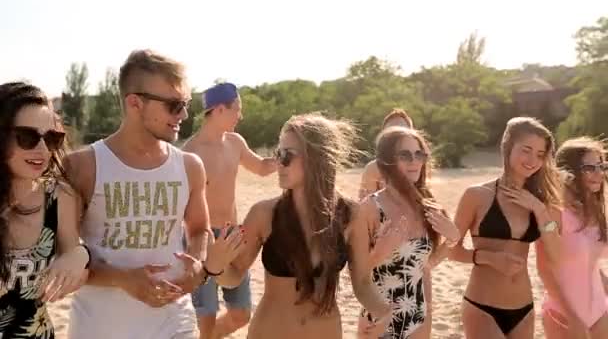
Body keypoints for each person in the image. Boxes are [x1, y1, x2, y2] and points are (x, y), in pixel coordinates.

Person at [65, 49, 242, 339]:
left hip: (174, 323)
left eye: (185, 104)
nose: (184, 114)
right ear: (135, 103)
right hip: (98, 327)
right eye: (174, 105)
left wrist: (196, 263)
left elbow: (199, 230)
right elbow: (65, 255)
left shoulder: (189, 166)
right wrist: (123, 280)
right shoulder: (82, 166)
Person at [212, 113, 391, 338]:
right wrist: (216, 266)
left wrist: (384, 312)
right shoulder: (264, 214)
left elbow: (363, 283)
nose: (279, 163)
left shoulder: (351, 215)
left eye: (287, 155)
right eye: (278, 154)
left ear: (317, 158)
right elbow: (234, 274)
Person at [449, 117, 562, 338]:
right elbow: (451, 250)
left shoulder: (543, 203)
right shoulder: (477, 195)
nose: (532, 160)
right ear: (508, 146)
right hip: (482, 306)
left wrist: (538, 210)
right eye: (526, 150)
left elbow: (556, 256)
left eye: (540, 154)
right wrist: (490, 258)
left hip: (524, 308)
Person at [183, 82, 276, 339]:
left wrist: (284, 159)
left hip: (233, 236)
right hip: (202, 238)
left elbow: (261, 167)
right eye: (237, 109)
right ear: (220, 109)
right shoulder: (190, 154)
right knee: (205, 318)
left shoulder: (235, 142)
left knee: (241, 314)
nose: (241, 115)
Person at [0, 82, 90, 338]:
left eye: (51, 138)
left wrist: (81, 255)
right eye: (27, 137)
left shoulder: (60, 196)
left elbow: (74, 272)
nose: (42, 150)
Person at [354, 126, 461, 338]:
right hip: (378, 316)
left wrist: (452, 239)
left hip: (416, 314)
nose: (414, 161)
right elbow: (356, 275)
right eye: (405, 155)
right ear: (387, 161)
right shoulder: (371, 208)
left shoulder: (427, 206)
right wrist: (379, 253)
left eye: (419, 154)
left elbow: (426, 265)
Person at [538, 137, 608, 339]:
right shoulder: (553, 213)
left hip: (600, 309)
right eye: (589, 167)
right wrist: (573, 318)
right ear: (568, 171)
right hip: (563, 313)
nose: (599, 174)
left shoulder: (594, 211)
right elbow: (545, 271)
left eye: (601, 166)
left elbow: (589, 265)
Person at [359, 109, 414, 200]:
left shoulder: (417, 166)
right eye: (391, 131)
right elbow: (364, 205)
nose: (396, 136)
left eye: (401, 131)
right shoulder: (374, 168)